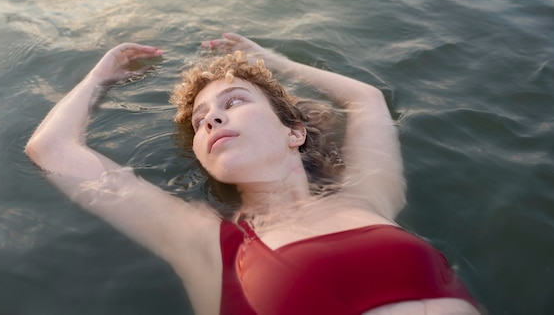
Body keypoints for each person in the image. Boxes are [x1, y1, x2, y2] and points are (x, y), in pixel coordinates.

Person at [25, 33, 480, 315]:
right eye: (200, 120)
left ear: (294, 133)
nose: (211, 120)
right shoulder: (207, 242)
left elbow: (366, 101)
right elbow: (52, 149)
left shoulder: (367, 196)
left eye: (234, 102)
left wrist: (271, 61)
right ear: (203, 156)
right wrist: (99, 77)